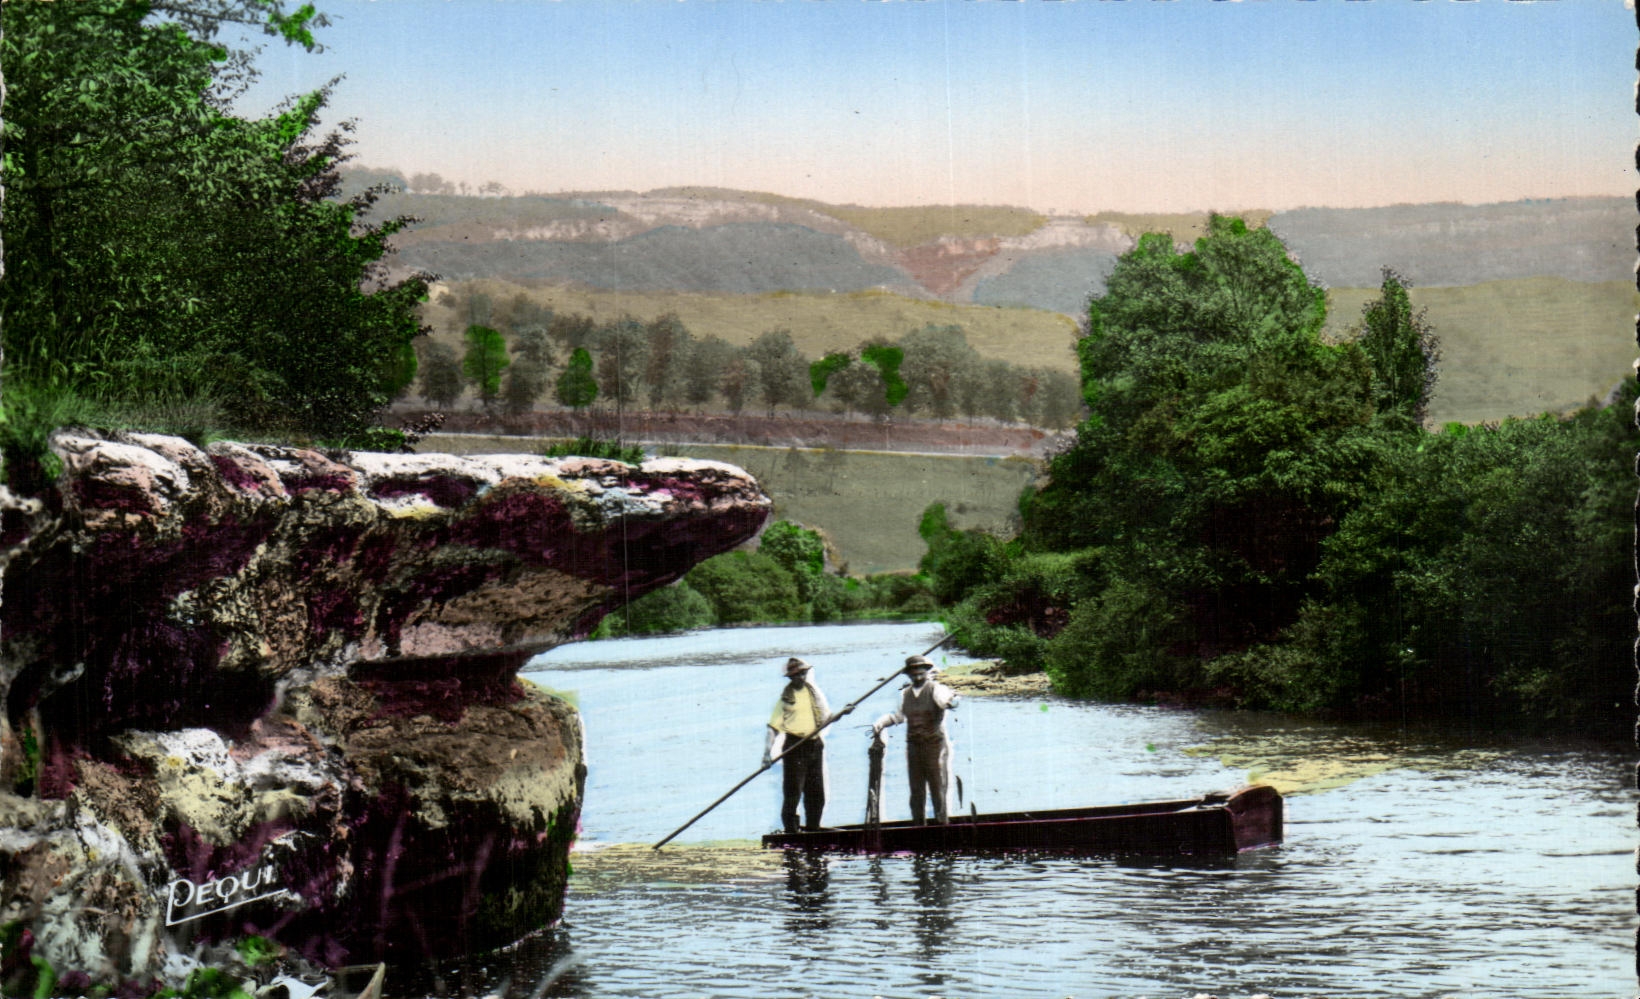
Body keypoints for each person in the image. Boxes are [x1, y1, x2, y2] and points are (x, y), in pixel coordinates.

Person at [872, 654, 960, 825]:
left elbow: (948, 702)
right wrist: (881, 722)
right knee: (916, 789)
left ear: (927, 672)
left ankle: (942, 824)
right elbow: (898, 717)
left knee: (937, 787)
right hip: (914, 745)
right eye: (914, 674)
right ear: (909, 675)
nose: (918, 677)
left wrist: (953, 701)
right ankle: (918, 825)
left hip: (934, 744)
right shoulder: (904, 694)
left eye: (921, 673)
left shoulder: (936, 689)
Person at [765, 656, 843, 833]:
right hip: (795, 747)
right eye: (797, 675)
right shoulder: (785, 699)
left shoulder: (813, 693)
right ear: (791, 678)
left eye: (803, 674)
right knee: (793, 793)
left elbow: (827, 719)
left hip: (815, 746)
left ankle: (813, 829)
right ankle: (791, 832)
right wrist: (766, 755)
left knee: (816, 792)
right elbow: (773, 728)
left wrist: (843, 713)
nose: (801, 678)